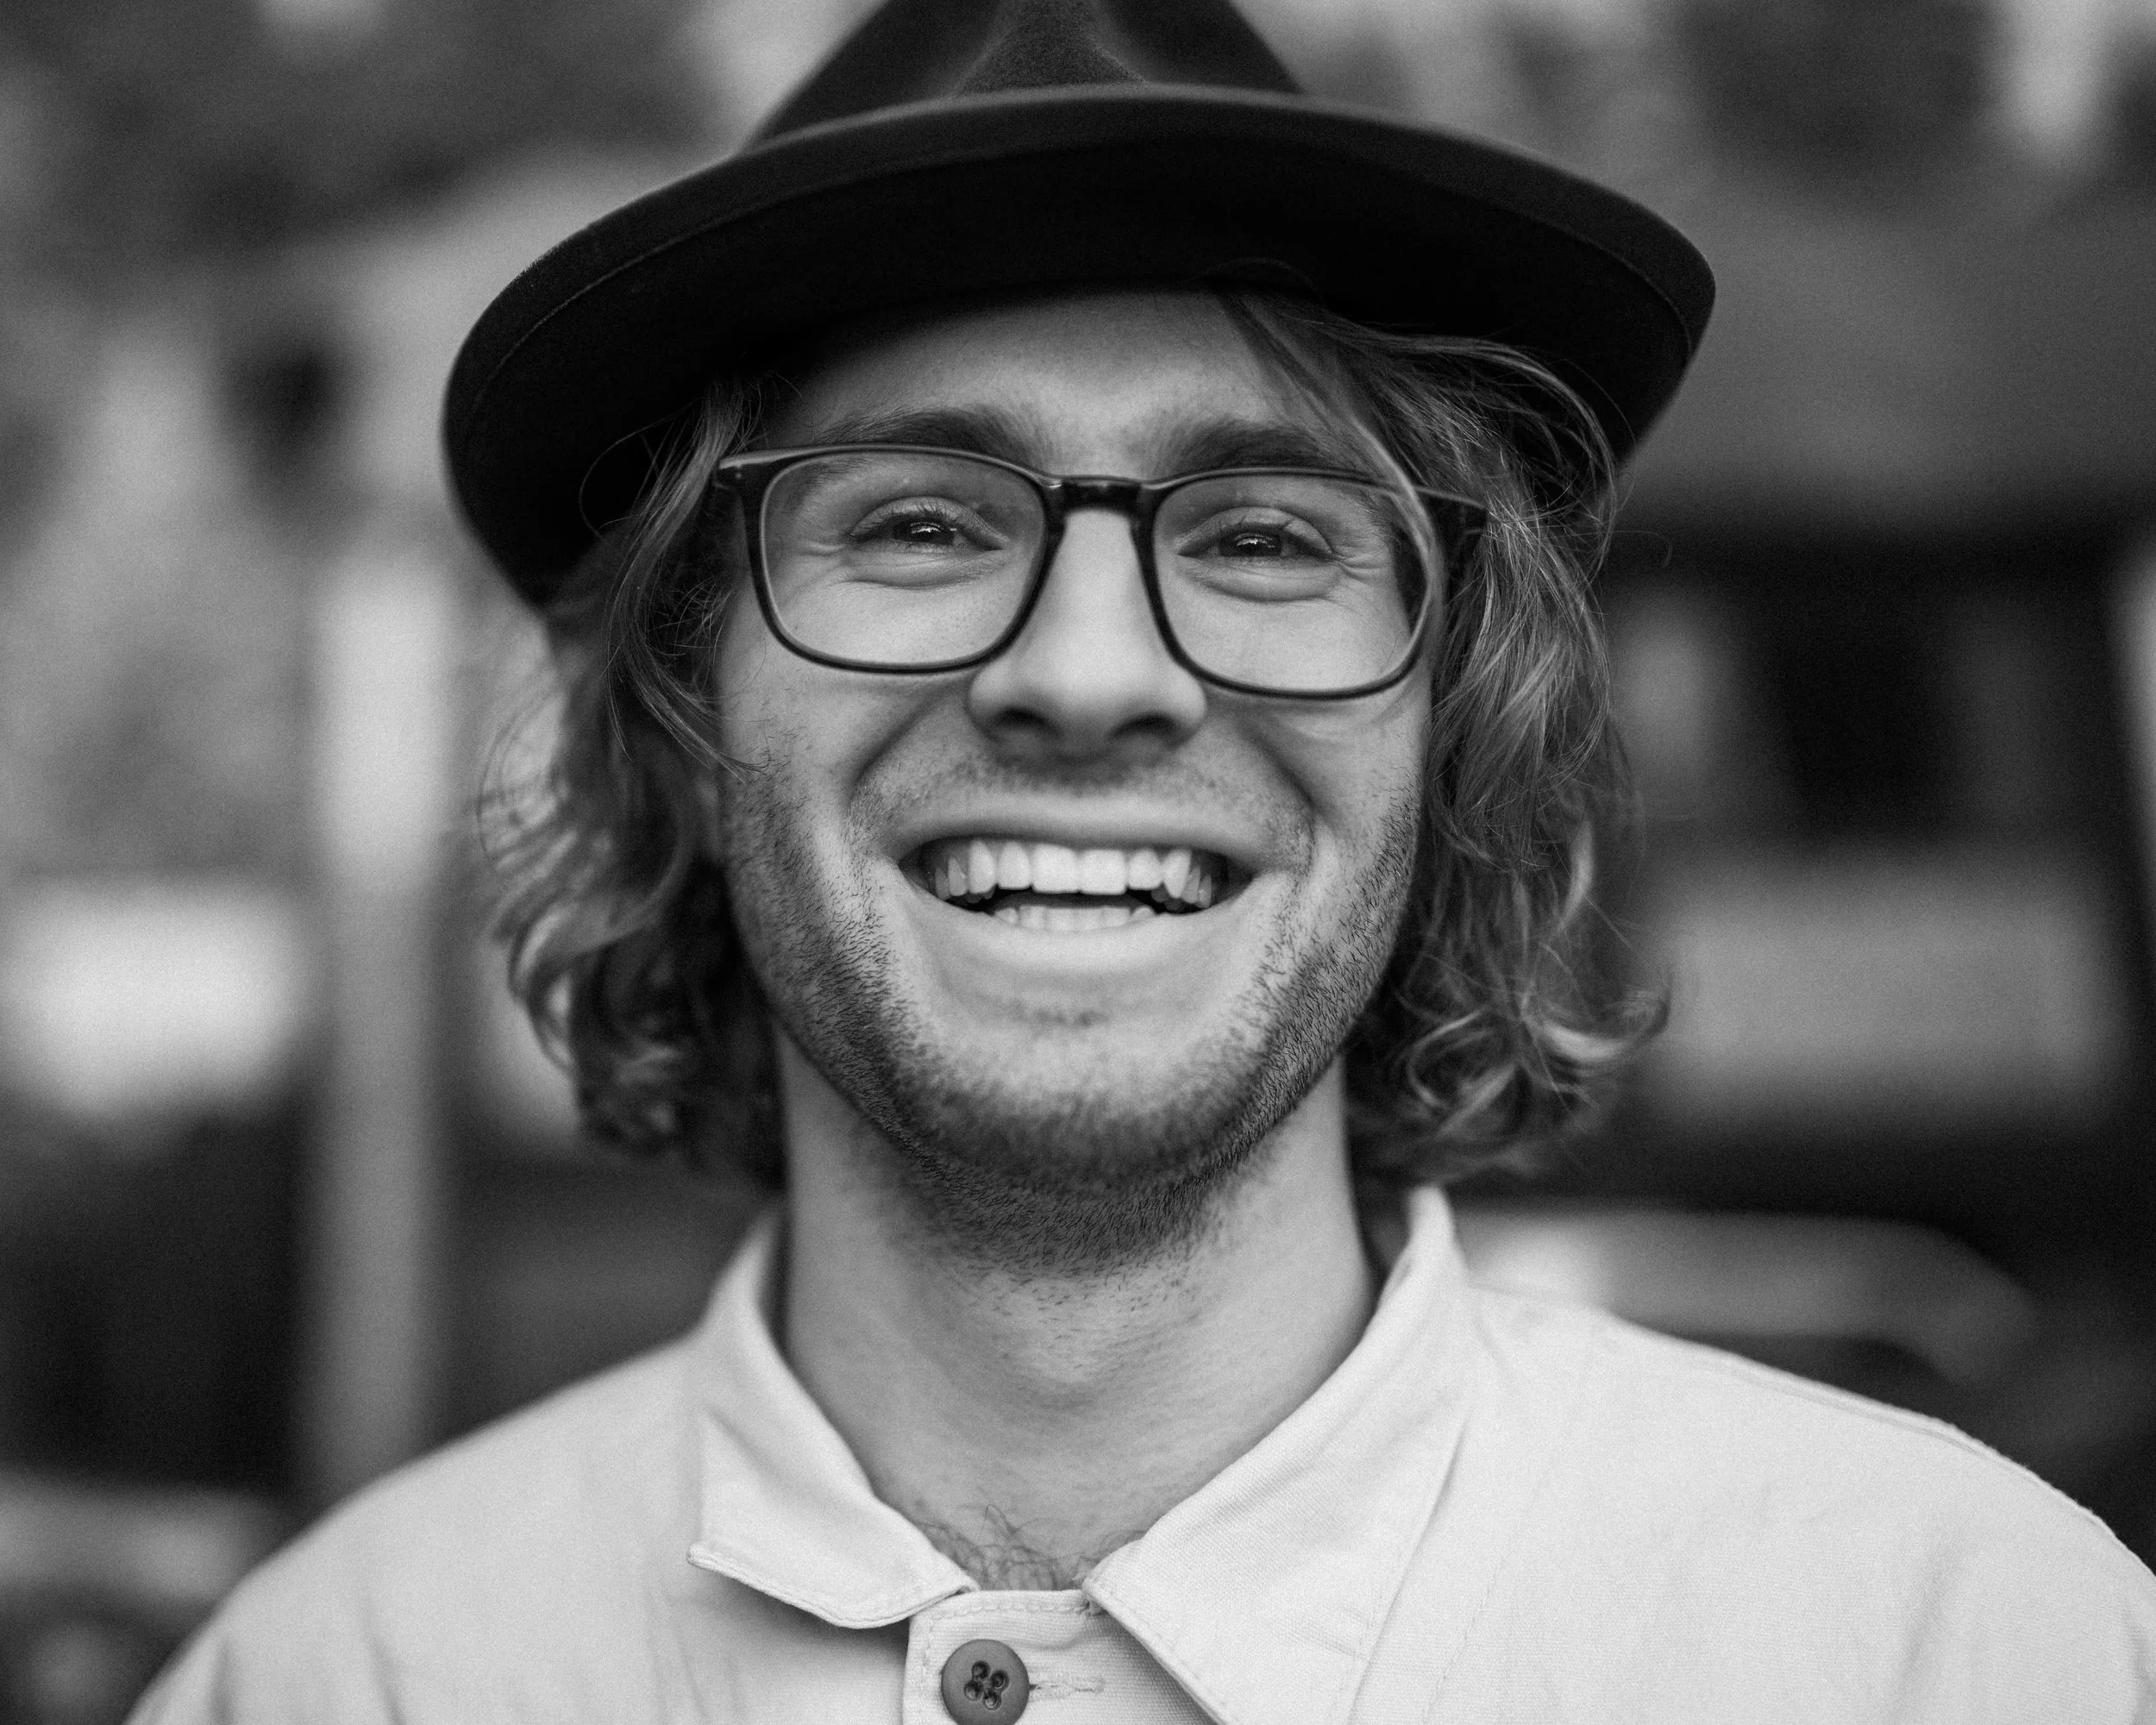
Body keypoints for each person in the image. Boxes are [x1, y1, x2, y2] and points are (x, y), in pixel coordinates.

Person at [137, 0, 2156, 1720]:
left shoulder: (1950, 1651)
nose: (1086, 673)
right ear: (685, 706)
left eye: (1264, 533)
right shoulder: (342, 1676)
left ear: (1449, 725)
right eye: (917, 525)